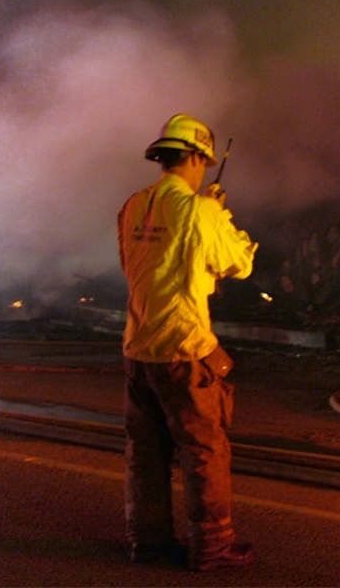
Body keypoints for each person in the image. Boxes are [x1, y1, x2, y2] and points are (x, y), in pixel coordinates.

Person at [117, 114, 258, 571]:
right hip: (183, 350)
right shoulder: (201, 212)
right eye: (204, 162)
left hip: (138, 349)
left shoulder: (132, 206)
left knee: (146, 453)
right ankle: (213, 546)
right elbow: (238, 263)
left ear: (162, 157)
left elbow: (141, 266)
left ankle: (147, 541)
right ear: (197, 158)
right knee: (204, 451)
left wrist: (205, 217)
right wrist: (219, 213)